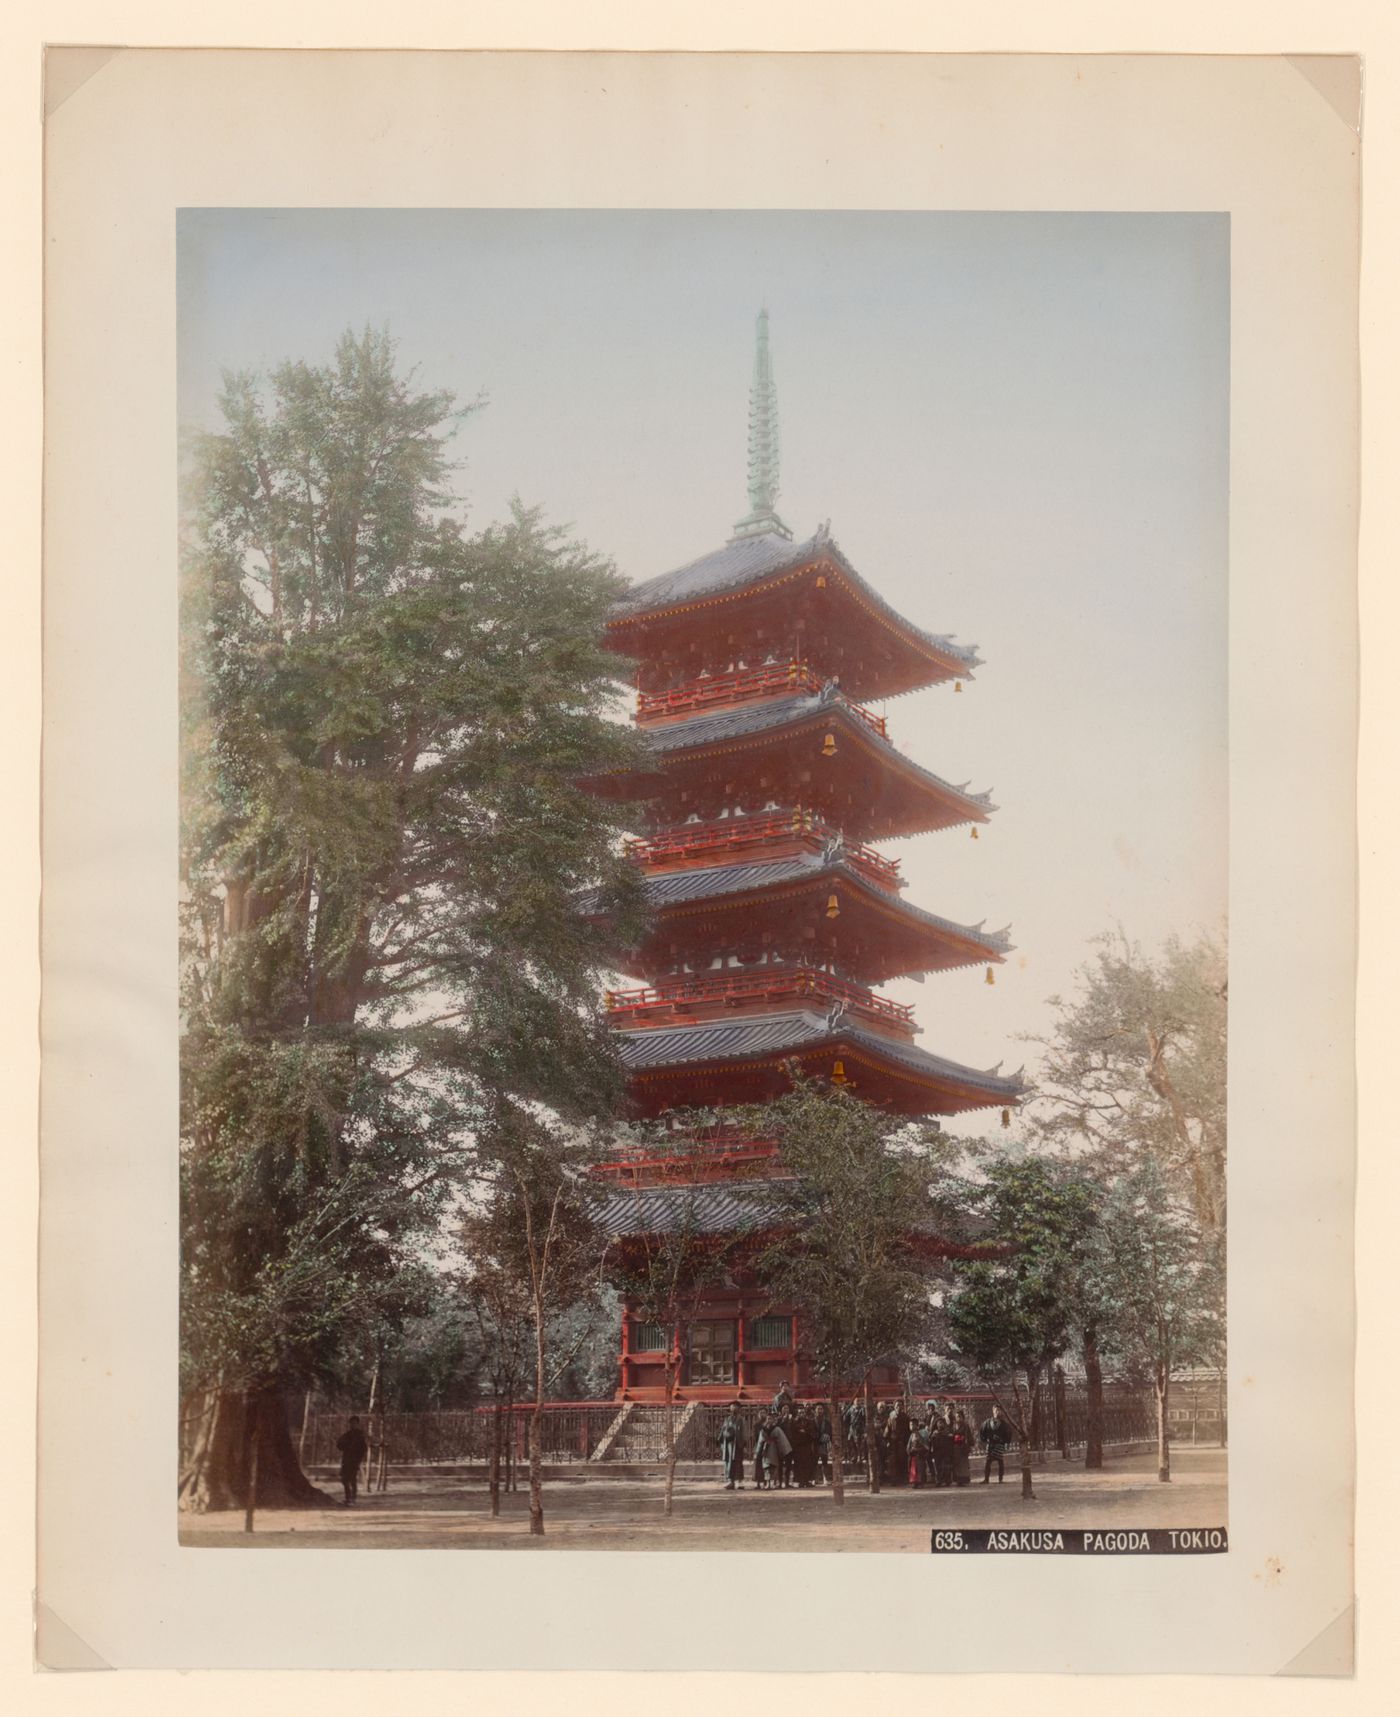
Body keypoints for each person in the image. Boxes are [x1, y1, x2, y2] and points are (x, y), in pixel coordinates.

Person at [336, 1415, 368, 1507]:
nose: (352, 1425)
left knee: (352, 1479)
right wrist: (345, 1445)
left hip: (354, 1460)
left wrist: (359, 1459)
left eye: (354, 1423)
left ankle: (353, 1498)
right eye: (351, 1423)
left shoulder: (360, 1435)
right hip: (346, 1459)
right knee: (344, 1479)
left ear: (357, 1424)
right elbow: (339, 1445)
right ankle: (348, 1497)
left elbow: (363, 1448)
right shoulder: (347, 1434)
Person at [980, 1404, 1013, 1484]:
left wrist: (1004, 1441)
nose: (997, 1412)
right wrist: (985, 1440)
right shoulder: (987, 1422)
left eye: (999, 1410)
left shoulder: (1004, 1424)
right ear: (993, 1411)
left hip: (999, 1445)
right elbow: (982, 1432)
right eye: (996, 1410)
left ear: (1001, 1411)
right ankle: (986, 1479)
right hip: (990, 1445)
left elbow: (1008, 1434)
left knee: (1000, 1462)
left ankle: (1000, 1479)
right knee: (988, 1462)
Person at [719, 1402, 746, 1489]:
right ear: (730, 1408)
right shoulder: (727, 1419)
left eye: (735, 1407)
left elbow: (744, 1432)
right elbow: (723, 1430)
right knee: (729, 1462)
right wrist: (725, 1433)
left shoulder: (741, 1419)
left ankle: (739, 1482)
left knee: (738, 1462)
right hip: (729, 1444)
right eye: (732, 1407)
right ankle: (731, 1481)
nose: (734, 1408)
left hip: (737, 1444)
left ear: (739, 1409)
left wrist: (743, 1443)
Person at [931, 1417, 955, 1488]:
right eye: (939, 1423)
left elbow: (951, 1441)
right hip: (937, 1452)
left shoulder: (947, 1432)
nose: (940, 1424)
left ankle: (947, 1480)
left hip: (946, 1452)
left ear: (944, 1424)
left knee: (946, 1466)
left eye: (941, 1423)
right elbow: (932, 1441)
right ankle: (939, 1480)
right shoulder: (935, 1432)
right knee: (938, 1466)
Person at [950, 1411, 972, 1486]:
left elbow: (968, 1436)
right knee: (957, 1463)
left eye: (959, 1416)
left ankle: (964, 1479)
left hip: (962, 1446)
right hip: (956, 1447)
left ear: (963, 1417)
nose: (958, 1418)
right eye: (957, 1417)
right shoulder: (954, 1426)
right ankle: (958, 1480)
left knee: (963, 1464)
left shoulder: (965, 1426)